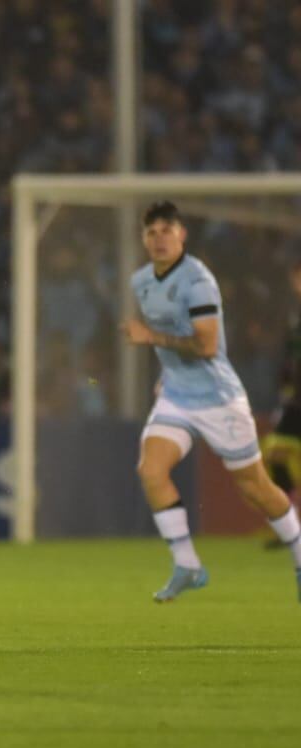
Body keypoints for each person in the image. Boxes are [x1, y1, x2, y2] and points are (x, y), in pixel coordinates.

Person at [123, 201, 301, 602]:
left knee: (255, 487)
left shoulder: (198, 280)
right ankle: (187, 564)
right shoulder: (141, 282)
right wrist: (166, 374)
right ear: (144, 239)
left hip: (218, 398)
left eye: (167, 229)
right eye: (151, 232)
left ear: (182, 234)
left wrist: (151, 339)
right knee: (151, 470)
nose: (159, 238)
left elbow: (205, 345)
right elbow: (168, 333)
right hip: (176, 397)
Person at [261, 261, 301, 521]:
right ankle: (290, 518)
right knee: (274, 453)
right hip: (295, 401)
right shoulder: (294, 317)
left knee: (276, 452)